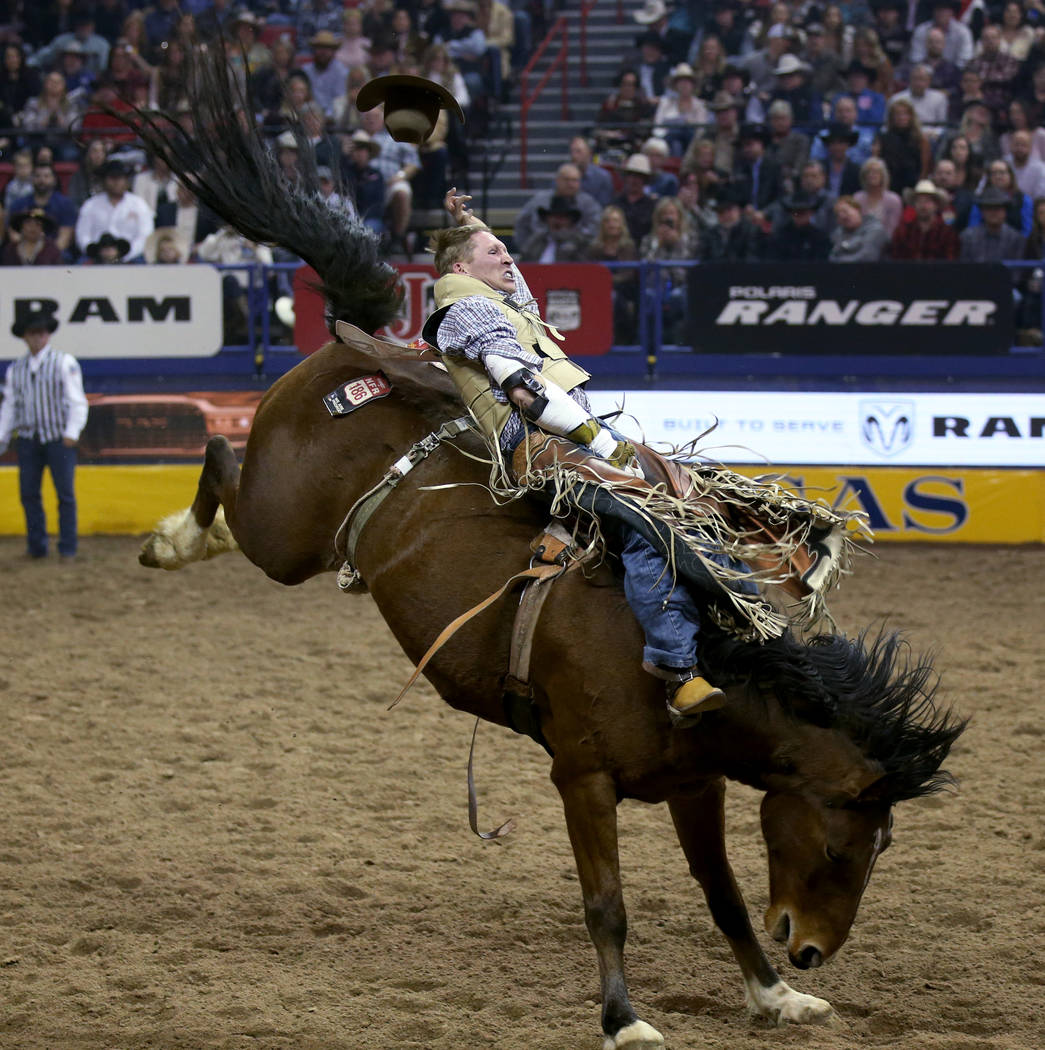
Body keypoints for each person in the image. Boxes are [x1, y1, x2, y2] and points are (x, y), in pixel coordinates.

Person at [422, 189, 729, 721]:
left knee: (692, 492)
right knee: (645, 520)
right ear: (460, 268)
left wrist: (469, 224)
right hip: (546, 449)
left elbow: (517, 290)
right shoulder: (468, 307)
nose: (508, 259)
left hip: (571, 441)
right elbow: (523, 388)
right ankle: (678, 669)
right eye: (494, 251)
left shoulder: (495, 301)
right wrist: (600, 440)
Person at [0, 312, 88, 560]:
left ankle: (67, 548)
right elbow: (10, 406)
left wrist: (72, 432)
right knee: (28, 494)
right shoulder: (15, 369)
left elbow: (77, 401)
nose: (38, 338)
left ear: (47, 335)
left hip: (58, 439)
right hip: (28, 439)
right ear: (25, 337)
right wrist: (2, 437)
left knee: (65, 495)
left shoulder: (63, 362)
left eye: (42, 333)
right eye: (33, 333)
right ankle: (37, 547)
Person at [74, 158, 154, 261]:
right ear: (104, 181)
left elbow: (145, 235)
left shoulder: (138, 204)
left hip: (131, 256)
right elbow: (82, 234)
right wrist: (95, 252)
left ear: (126, 181)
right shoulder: (91, 204)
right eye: (112, 178)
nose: (116, 182)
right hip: (96, 255)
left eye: (120, 178)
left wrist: (125, 255)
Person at [889, 179, 959, 259]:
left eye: (927, 201)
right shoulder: (902, 232)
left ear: (936, 205)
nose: (923, 206)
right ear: (914, 205)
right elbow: (896, 261)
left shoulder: (947, 234)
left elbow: (950, 262)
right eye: (919, 201)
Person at [518, 195, 592, 262]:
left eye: (562, 217)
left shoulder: (580, 241)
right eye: (554, 216)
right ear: (547, 219)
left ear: (570, 221)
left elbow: (585, 265)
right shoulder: (536, 240)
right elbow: (524, 261)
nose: (557, 221)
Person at [959, 186, 1025, 261]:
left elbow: (1016, 270)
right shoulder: (968, 237)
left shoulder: (1016, 239)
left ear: (1005, 211)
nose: (993, 212)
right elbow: (964, 267)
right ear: (982, 211)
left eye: (998, 208)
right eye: (989, 208)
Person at [830, 195, 888, 260]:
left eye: (845, 211)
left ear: (857, 209)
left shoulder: (876, 230)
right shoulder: (838, 233)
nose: (842, 216)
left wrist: (840, 262)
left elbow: (867, 257)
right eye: (838, 214)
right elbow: (832, 257)